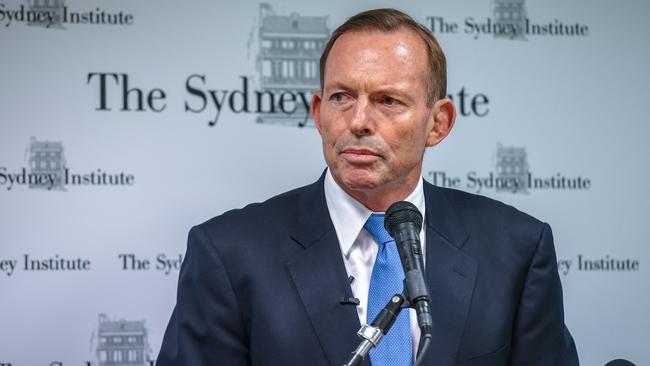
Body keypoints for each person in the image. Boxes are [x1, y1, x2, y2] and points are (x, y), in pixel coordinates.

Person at [156, 8, 578, 366]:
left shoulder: (516, 248)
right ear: (319, 113)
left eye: (387, 100)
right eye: (341, 97)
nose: (358, 121)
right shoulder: (228, 253)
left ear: (439, 122)